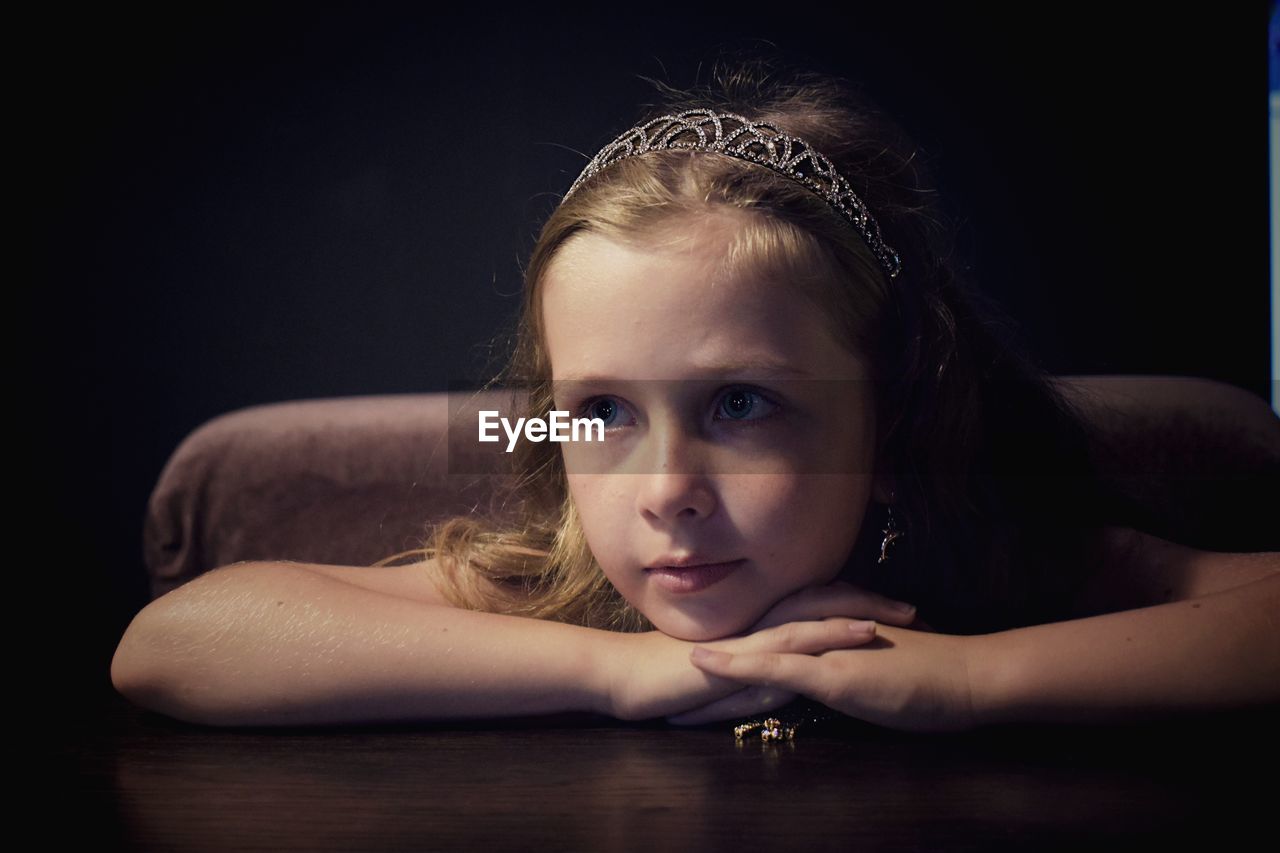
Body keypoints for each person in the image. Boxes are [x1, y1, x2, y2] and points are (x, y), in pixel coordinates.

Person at [111, 58, 1280, 734]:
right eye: (603, 412)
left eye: (737, 403)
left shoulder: (996, 563)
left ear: (890, 416)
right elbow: (170, 644)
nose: (664, 492)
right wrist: (629, 670)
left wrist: (969, 679)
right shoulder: (564, 585)